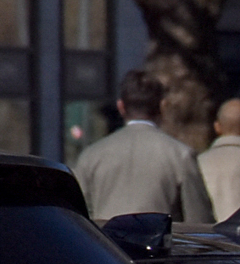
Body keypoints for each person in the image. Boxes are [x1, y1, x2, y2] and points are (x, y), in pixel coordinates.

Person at [75, 69, 215, 224]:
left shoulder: (91, 155)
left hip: (105, 245)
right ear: (163, 106)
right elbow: (198, 221)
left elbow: (77, 216)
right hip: (159, 245)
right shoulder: (181, 155)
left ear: (121, 107)